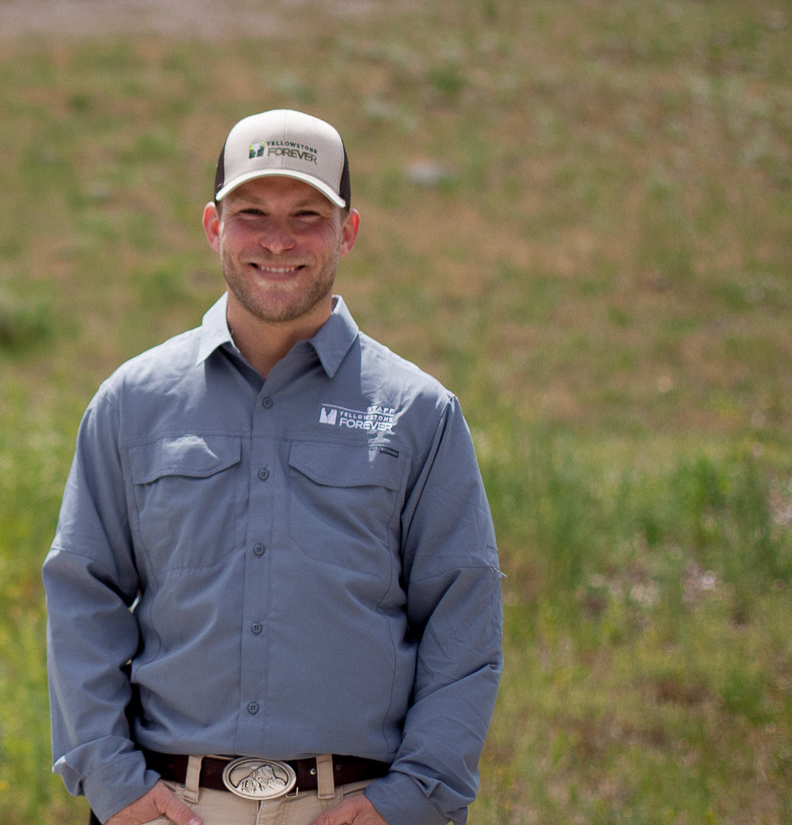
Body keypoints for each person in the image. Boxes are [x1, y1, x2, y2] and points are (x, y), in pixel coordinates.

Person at [44, 109, 502, 825]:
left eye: (308, 215)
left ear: (347, 232)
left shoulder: (418, 414)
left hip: (358, 808)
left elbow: (463, 620)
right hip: (172, 807)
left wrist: (413, 798)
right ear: (212, 226)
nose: (278, 240)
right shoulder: (132, 404)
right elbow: (83, 598)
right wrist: (113, 781)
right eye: (251, 212)